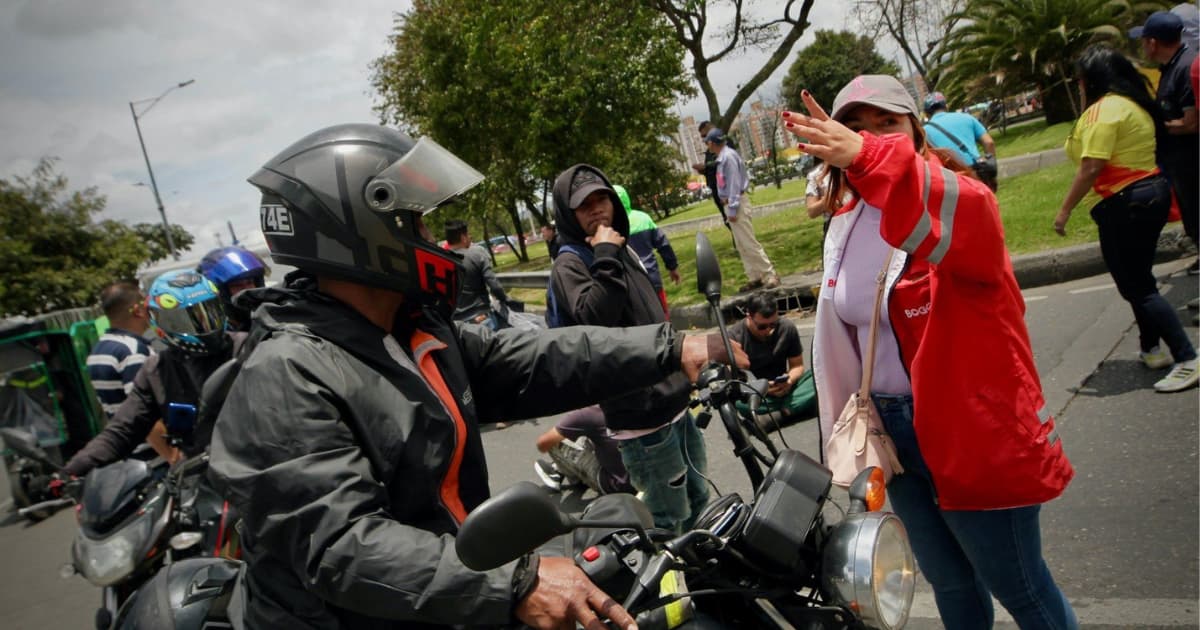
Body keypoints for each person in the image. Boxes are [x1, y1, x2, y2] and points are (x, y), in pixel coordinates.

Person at [207, 124, 746, 630]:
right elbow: (341, 546)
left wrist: (674, 346)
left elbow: (536, 357)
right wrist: (515, 581)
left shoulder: (412, 328)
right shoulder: (285, 375)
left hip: (455, 590)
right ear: (363, 233)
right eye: (416, 224)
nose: (434, 242)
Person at [783, 75, 1078, 630]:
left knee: (1021, 587)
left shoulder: (960, 199)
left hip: (968, 430)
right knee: (950, 583)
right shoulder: (843, 222)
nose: (870, 137)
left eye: (888, 124)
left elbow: (948, 216)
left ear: (917, 131)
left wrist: (870, 156)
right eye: (855, 126)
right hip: (893, 436)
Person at [548, 162, 717, 534]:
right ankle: (669, 591)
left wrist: (679, 361)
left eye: (601, 198)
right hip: (641, 419)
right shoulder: (572, 263)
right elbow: (596, 323)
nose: (597, 209)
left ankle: (707, 581)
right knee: (666, 520)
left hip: (673, 404)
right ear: (568, 214)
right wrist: (605, 256)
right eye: (584, 205)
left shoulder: (618, 247)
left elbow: (651, 317)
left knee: (699, 500)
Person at [1053, 45, 1199, 393]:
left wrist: (1064, 210)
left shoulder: (1103, 111)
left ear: (1091, 80)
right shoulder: (1133, 104)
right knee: (1139, 279)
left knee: (1136, 286)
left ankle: (1187, 357)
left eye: (1080, 80)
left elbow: (1091, 165)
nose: (1078, 85)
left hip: (1124, 203)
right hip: (1150, 196)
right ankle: (1151, 349)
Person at [64, 270, 244, 477]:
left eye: (208, 312)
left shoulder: (248, 346)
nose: (204, 325)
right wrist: (72, 470)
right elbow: (122, 429)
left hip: (263, 465)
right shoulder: (157, 370)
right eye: (188, 319)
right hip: (206, 476)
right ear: (162, 322)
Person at [1130, 10, 1199, 271]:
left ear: (1153, 42)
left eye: (1143, 39)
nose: (1142, 45)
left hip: (1191, 163)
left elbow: (1192, 122)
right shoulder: (1172, 68)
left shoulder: (1185, 68)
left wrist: (1156, 127)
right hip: (1180, 165)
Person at [704, 127, 781, 292]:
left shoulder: (728, 158)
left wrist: (732, 209)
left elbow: (733, 184)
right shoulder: (723, 158)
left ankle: (769, 273)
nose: (707, 146)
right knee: (741, 244)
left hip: (736, 204)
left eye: (708, 142)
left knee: (749, 242)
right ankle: (754, 276)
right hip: (731, 204)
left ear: (712, 143)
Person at [728, 292, 817, 430]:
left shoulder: (787, 327)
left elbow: (797, 366)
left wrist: (789, 381)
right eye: (762, 327)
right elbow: (734, 381)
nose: (769, 330)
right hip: (757, 394)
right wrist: (762, 388)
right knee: (736, 401)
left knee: (820, 377)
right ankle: (795, 408)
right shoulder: (734, 338)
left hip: (786, 387)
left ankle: (781, 414)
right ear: (749, 317)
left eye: (773, 325)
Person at [87, 281, 154, 419]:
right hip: (143, 437)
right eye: (146, 305)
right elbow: (143, 410)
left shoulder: (98, 350)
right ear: (138, 311)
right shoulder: (132, 350)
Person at [613, 184, 680, 317]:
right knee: (662, 313)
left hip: (628, 284)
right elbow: (663, 244)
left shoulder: (610, 227)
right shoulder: (643, 218)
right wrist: (672, 267)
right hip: (651, 276)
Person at [444, 219, 522, 330]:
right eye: (468, 234)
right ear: (463, 237)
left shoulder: (441, 260)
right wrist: (504, 299)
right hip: (481, 317)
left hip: (457, 324)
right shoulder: (477, 254)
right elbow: (494, 285)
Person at [923, 91, 999, 191]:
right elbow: (989, 142)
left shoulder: (924, 132)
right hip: (977, 172)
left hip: (952, 180)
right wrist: (990, 166)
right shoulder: (967, 118)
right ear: (946, 106)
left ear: (927, 114)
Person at [198, 246, 269, 332]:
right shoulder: (219, 332)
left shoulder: (270, 316)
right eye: (237, 285)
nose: (246, 289)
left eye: (249, 282)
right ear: (222, 292)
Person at [693, 120, 732, 229]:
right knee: (728, 221)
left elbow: (723, 164)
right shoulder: (710, 151)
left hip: (728, 192)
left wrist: (706, 167)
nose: (704, 140)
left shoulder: (725, 143)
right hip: (718, 190)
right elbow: (713, 169)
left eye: (705, 136)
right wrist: (703, 170)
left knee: (735, 222)